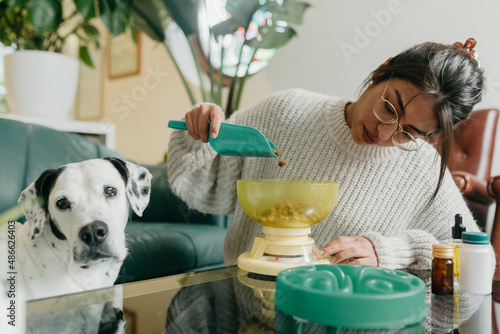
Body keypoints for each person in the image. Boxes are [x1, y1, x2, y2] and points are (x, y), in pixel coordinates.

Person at [167, 39, 489, 270]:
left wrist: (391, 251)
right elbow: (201, 188)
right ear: (382, 70)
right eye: (389, 107)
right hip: (246, 302)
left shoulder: (421, 168)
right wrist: (200, 134)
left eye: (409, 132)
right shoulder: (286, 111)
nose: (384, 133)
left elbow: (477, 257)